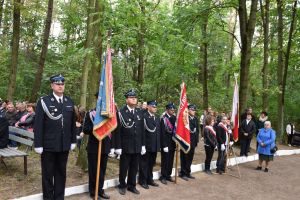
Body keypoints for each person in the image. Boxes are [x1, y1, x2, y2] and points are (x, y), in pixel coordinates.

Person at [34, 74, 77, 200]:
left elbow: (72, 124)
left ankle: (59, 197)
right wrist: (38, 144)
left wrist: (73, 140)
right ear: (52, 86)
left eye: (62, 84)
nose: (60, 86)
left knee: (61, 173)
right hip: (48, 145)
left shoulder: (69, 101)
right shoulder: (44, 101)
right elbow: (38, 124)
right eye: (57, 84)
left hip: (64, 145)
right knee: (47, 174)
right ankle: (48, 198)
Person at [83, 93, 117, 200]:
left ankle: (100, 190)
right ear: (97, 100)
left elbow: (113, 131)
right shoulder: (90, 114)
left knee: (102, 170)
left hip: (105, 147)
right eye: (100, 99)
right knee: (93, 171)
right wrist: (97, 126)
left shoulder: (109, 115)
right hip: (94, 147)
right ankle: (93, 192)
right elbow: (85, 129)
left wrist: (112, 146)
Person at [116, 89, 145, 195]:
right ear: (126, 100)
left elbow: (142, 130)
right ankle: (122, 185)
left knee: (134, 167)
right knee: (124, 167)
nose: (134, 99)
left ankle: (131, 185)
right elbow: (117, 131)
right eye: (132, 98)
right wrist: (118, 146)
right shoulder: (121, 112)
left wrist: (143, 145)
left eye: (135, 97)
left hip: (137, 145)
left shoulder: (139, 112)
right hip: (125, 145)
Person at [138, 100, 160, 189]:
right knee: (144, 164)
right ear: (148, 107)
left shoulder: (157, 118)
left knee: (151, 164)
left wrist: (159, 145)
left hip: (154, 145)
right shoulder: (144, 117)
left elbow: (158, 133)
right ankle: (142, 180)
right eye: (153, 106)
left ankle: (149, 179)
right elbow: (141, 132)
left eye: (155, 107)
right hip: (146, 145)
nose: (155, 108)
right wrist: (142, 145)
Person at [179, 104, 199, 181]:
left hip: (193, 142)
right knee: (184, 157)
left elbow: (197, 131)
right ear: (188, 110)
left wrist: (196, 141)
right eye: (192, 110)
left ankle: (188, 172)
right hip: (186, 141)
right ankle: (183, 173)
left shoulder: (195, 119)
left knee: (190, 157)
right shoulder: (185, 119)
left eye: (194, 110)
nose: (193, 111)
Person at [159, 102, 176, 185]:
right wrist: (164, 145)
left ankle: (168, 175)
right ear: (167, 110)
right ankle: (163, 176)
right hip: (165, 143)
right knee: (165, 160)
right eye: (171, 109)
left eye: (173, 109)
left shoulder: (174, 118)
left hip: (172, 143)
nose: (172, 111)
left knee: (171, 160)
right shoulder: (163, 118)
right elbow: (162, 133)